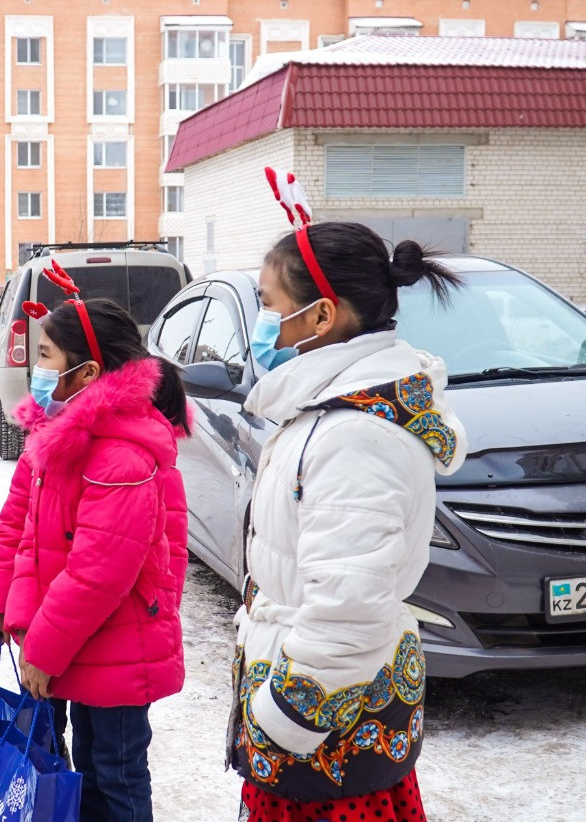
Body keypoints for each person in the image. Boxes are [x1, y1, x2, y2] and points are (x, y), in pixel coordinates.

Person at [227, 221, 467, 822]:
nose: (262, 321)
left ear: (320, 316)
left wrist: (286, 717)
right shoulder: (326, 410)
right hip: (319, 730)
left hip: (329, 736)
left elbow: (349, 608)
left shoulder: (355, 437)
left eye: (268, 303)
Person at [0, 288, 190, 821]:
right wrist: (2, 603)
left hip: (116, 645)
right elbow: (17, 526)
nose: (35, 368)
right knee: (55, 771)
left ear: (88, 372)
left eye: (45, 355)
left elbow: (99, 575)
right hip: (57, 636)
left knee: (111, 776)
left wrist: (43, 650)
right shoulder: (51, 437)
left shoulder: (120, 456)